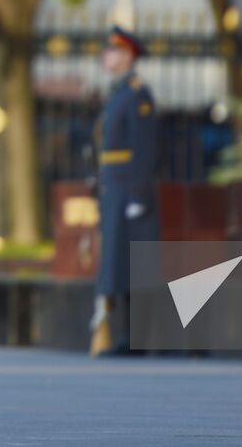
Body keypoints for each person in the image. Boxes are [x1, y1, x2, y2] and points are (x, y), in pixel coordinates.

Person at [90, 25, 160, 356]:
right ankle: (122, 335)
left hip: (130, 189)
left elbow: (145, 148)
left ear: (129, 56)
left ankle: (136, 337)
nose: (107, 56)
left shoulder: (136, 94)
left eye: (113, 51)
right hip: (114, 186)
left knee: (132, 264)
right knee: (116, 262)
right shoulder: (118, 92)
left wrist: (138, 194)